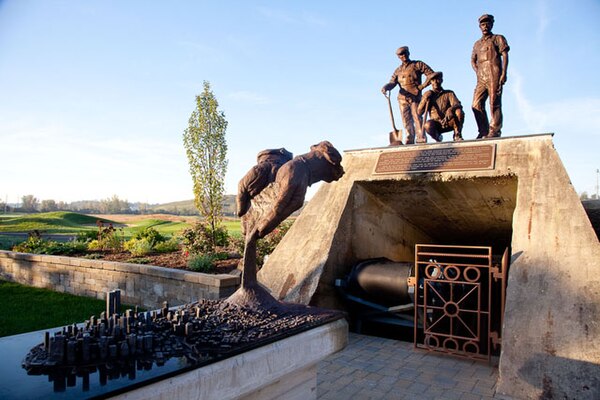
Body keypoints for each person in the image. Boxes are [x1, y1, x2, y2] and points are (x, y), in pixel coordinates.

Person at [381, 46, 434, 144]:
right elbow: (392, 82)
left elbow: (432, 75)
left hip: (415, 96)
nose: (403, 56)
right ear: (399, 57)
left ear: (408, 53)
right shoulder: (398, 70)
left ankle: (420, 137)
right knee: (406, 120)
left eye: (405, 53)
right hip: (402, 98)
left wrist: (421, 87)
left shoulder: (418, 64)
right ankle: (409, 137)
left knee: (417, 117)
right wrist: (386, 87)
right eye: (401, 55)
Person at [471, 14, 510, 138]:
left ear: (492, 24)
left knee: (494, 102)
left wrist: (504, 73)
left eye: (487, 23)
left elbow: (505, 55)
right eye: (482, 24)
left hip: (494, 71)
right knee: (476, 104)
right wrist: (478, 71)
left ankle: (495, 130)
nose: (485, 26)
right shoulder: (477, 44)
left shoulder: (498, 38)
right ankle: (483, 130)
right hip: (481, 75)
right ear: (479, 27)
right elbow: (472, 60)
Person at [418, 72, 465, 142]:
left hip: (449, 121)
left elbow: (458, 104)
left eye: (438, 79)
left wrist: (451, 109)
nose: (435, 82)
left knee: (459, 112)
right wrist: (425, 99)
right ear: (430, 82)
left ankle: (457, 134)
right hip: (436, 124)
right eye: (433, 80)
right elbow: (419, 112)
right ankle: (438, 137)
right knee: (427, 125)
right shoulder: (428, 95)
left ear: (441, 80)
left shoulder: (449, 93)